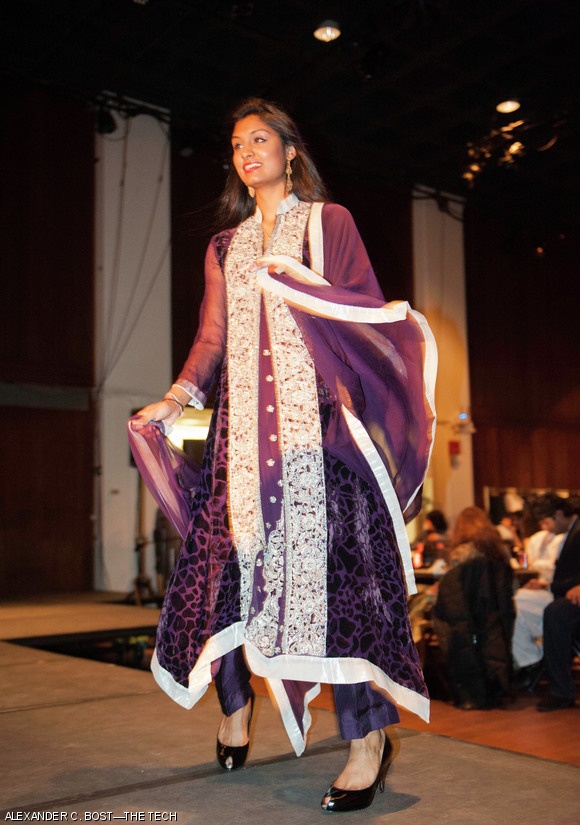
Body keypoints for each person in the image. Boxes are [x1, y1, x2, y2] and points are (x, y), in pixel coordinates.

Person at [128, 98, 437, 813]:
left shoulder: (329, 224)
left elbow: (362, 314)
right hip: (240, 436)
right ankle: (235, 708)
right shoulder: (224, 246)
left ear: (291, 151)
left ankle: (366, 742)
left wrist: (305, 294)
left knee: (342, 586)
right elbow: (212, 340)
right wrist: (175, 400)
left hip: (316, 434)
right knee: (221, 576)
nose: (246, 151)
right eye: (237, 143)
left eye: (260, 139)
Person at [432, 508, 515, 709]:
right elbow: (510, 586)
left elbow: (448, 587)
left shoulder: (459, 554)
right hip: (492, 616)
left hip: (462, 617)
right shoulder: (499, 552)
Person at [512, 498, 565, 686]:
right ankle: (529, 659)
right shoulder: (538, 539)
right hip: (549, 588)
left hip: (558, 593)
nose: (544, 525)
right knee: (514, 605)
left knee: (516, 606)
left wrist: (543, 582)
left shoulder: (565, 537)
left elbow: (555, 571)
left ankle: (530, 660)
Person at [536, 499, 580, 711]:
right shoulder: (573, 529)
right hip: (567, 593)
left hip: (572, 596)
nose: (546, 527)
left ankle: (561, 690)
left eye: (548, 520)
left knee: (555, 614)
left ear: (560, 514)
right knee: (550, 611)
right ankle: (536, 672)